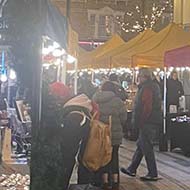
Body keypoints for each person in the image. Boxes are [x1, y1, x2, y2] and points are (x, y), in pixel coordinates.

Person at [31, 82, 96, 190]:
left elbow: (68, 149)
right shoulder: (76, 110)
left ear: (60, 97)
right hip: (77, 163)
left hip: (69, 164)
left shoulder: (74, 115)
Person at [121, 68, 162, 181]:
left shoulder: (147, 88)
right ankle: (132, 168)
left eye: (139, 76)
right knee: (141, 145)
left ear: (144, 77)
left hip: (148, 122)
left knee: (147, 146)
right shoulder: (153, 86)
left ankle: (153, 173)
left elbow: (147, 107)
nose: (138, 78)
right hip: (152, 120)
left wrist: (141, 121)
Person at [93, 81, 127, 190]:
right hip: (114, 133)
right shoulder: (118, 101)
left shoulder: (95, 99)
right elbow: (124, 118)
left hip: (100, 134)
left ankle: (104, 180)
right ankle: (115, 180)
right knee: (114, 156)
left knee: (102, 156)